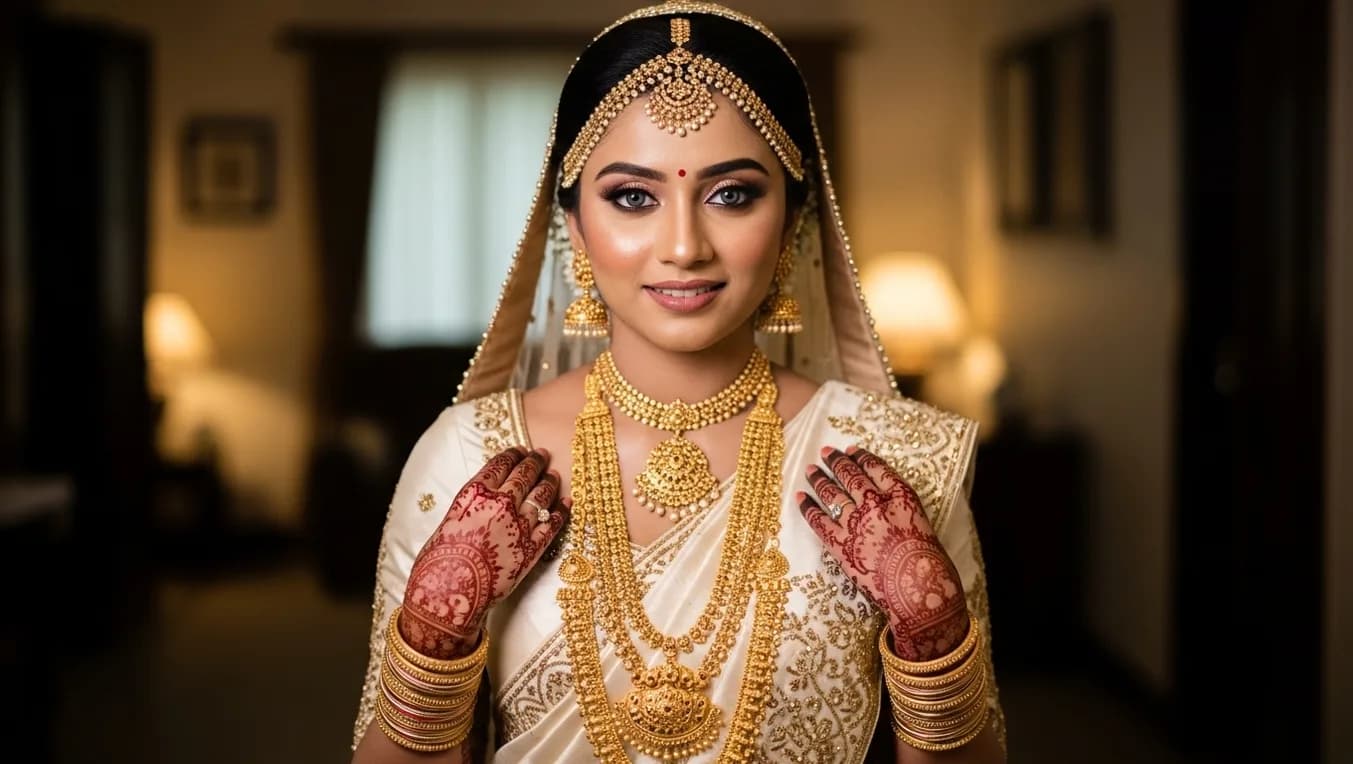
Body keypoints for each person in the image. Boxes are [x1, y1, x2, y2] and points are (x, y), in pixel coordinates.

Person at [350, 3, 1006, 761]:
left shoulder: (895, 463)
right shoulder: (470, 457)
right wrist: (433, 634)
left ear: (794, 217)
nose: (685, 245)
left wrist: (934, 640)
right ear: (572, 223)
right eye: (633, 196)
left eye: (732, 194)